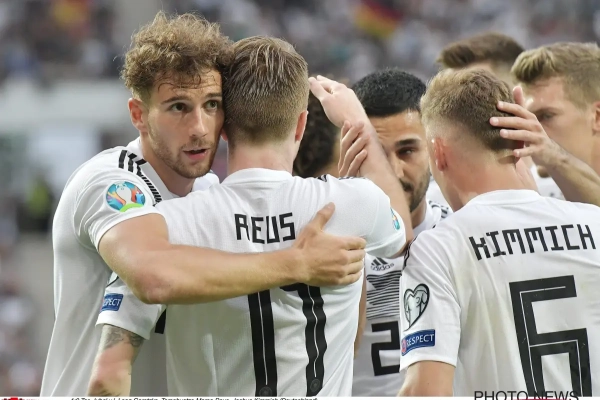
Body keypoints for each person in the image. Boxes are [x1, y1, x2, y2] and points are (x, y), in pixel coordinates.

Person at [41, 13, 366, 397]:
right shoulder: (111, 183)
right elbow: (152, 276)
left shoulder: (211, 193)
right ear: (139, 116)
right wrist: (296, 264)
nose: (199, 127)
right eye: (178, 107)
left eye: (211, 104)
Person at [398, 68, 600, 396]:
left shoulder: (438, 248)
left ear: (438, 152)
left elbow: (425, 391)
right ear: (520, 141)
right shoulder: (593, 224)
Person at [349, 69, 451, 396]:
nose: (393, 172)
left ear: (434, 150)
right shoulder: (326, 243)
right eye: (376, 154)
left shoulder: (460, 234)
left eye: (407, 151)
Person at [510, 42, 600, 205]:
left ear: (597, 117)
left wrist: (558, 160)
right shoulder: (534, 193)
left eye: (546, 116)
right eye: (526, 117)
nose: (531, 131)